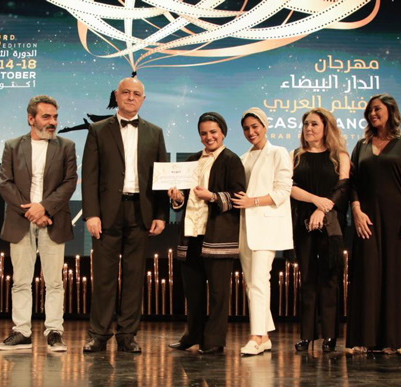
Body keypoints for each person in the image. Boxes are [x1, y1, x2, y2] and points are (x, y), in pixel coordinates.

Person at [81, 77, 168, 353]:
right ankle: (99, 334)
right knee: (103, 276)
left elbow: (162, 177)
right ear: (117, 96)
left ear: (143, 99)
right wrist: (91, 214)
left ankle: (127, 334)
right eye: (126, 92)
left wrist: (161, 214)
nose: (131, 97)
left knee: (133, 276)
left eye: (136, 94)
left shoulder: (155, 132)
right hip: (107, 212)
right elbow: (90, 175)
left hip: (141, 211)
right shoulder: (98, 130)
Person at [345, 94, 401, 356]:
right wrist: (356, 211)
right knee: (367, 277)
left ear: (391, 111)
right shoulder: (361, 145)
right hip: (367, 221)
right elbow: (353, 184)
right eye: (369, 110)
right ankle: (365, 338)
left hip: (400, 221)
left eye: (377, 109)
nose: (372, 114)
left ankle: (395, 339)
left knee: (396, 278)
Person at [0, 95, 78, 352]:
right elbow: (5, 183)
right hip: (21, 219)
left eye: (55, 117)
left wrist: (44, 208)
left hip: (53, 219)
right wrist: (32, 211)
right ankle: (21, 331)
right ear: (31, 119)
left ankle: (54, 332)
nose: (52, 122)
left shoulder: (66, 146)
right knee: (21, 281)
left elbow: (70, 182)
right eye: (46, 117)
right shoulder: (12, 146)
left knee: (54, 281)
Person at [167, 112, 246, 355]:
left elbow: (238, 197)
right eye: (203, 133)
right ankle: (193, 334)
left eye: (213, 132)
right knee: (193, 291)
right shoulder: (191, 160)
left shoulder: (232, 160)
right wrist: (177, 198)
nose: (208, 137)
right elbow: (181, 200)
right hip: (192, 233)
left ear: (223, 133)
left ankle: (214, 340)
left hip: (218, 236)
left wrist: (211, 196)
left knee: (219, 293)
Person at [232, 107, 293, 356]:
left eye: (255, 126)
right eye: (246, 128)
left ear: (265, 126)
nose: (251, 132)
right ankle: (265, 336)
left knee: (258, 280)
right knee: (251, 283)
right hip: (244, 227)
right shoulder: (242, 158)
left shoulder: (279, 153)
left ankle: (256, 337)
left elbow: (283, 191)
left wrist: (252, 201)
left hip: (266, 226)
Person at [290, 108, 350, 352]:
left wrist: (322, 210)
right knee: (307, 279)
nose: (309, 128)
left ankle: (330, 335)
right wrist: (315, 201)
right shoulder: (296, 155)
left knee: (329, 279)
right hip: (303, 222)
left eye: (314, 123)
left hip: (331, 222)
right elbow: (289, 187)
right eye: (306, 124)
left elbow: (342, 187)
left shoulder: (339, 155)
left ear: (326, 127)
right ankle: (307, 335)